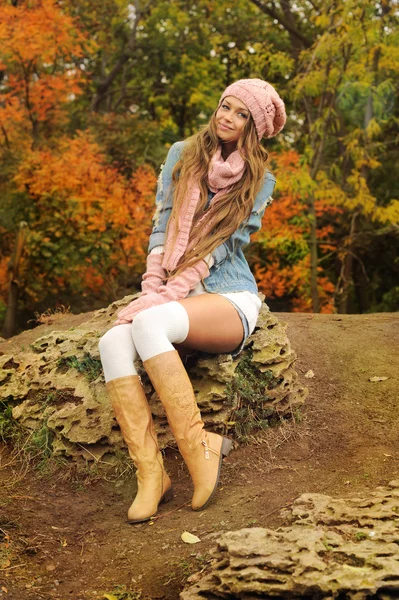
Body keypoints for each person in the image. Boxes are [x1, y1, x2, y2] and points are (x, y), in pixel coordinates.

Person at [98, 78, 286, 524]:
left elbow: (225, 243)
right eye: (226, 105)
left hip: (225, 295)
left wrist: (174, 290)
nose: (228, 117)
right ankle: (152, 475)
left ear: (253, 128)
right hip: (170, 291)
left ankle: (201, 446)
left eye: (242, 114)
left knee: (148, 325)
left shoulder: (261, 178)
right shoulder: (181, 154)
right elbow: (163, 221)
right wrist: (152, 283)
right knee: (112, 343)